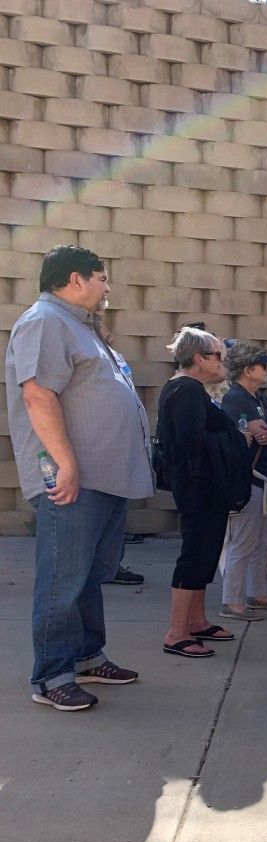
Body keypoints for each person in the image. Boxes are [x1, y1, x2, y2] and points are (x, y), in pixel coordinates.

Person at [6, 245, 151, 711]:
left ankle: (87, 656)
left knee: (89, 574)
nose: (107, 288)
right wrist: (65, 463)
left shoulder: (80, 327)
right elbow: (38, 395)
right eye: (103, 277)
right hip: (72, 478)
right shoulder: (46, 321)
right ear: (76, 279)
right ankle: (51, 676)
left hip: (103, 477)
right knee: (62, 578)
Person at [157, 327, 240, 658]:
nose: (222, 363)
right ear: (198, 358)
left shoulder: (190, 388)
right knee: (195, 553)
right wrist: (237, 439)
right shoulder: (187, 390)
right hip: (199, 485)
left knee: (205, 551)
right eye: (217, 356)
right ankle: (177, 632)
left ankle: (196, 620)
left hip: (203, 484)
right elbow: (191, 440)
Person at [218, 340, 267, 620]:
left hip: (264, 480)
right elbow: (264, 432)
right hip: (248, 480)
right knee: (243, 542)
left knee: (265, 541)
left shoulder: (260, 398)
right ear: (247, 369)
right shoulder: (235, 398)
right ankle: (231, 601)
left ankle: (256, 593)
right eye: (262, 365)